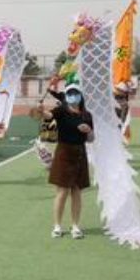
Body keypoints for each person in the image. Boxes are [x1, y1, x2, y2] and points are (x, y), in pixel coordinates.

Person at [39, 83, 94, 239]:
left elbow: (91, 139)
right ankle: (57, 225)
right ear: (66, 95)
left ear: (81, 96)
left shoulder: (87, 115)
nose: (73, 96)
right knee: (62, 191)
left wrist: (88, 131)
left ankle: (75, 225)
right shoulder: (61, 110)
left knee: (76, 191)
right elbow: (48, 116)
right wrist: (42, 111)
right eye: (70, 93)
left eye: (75, 93)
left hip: (80, 153)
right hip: (64, 152)